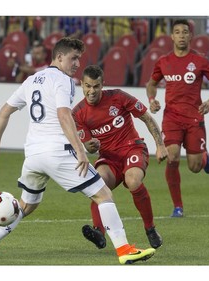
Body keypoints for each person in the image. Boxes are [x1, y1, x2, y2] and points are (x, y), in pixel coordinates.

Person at [0, 37, 156, 265]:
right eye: (73, 58)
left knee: (26, 206)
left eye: (79, 58)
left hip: (33, 156)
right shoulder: (63, 80)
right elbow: (64, 115)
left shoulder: (31, 80)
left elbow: (5, 110)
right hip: (57, 152)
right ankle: (125, 250)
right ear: (59, 57)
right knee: (103, 194)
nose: (77, 63)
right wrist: (80, 150)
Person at [72, 65, 168, 250]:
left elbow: (146, 118)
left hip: (133, 149)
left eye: (96, 86)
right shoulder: (77, 113)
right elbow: (88, 146)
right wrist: (90, 145)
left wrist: (160, 144)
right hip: (109, 158)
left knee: (133, 181)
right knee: (97, 184)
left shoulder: (119, 96)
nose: (91, 91)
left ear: (102, 85)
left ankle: (150, 229)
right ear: (82, 85)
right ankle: (99, 232)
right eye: (87, 86)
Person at [146, 19, 209, 218]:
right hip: (171, 118)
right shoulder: (164, 61)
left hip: (194, 119)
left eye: (185, 32)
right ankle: (178, 207)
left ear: (191, 36)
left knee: (195, 167)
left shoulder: (200, 61)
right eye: (177, 32)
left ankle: (204, 156)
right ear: (172, 37)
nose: (181, 35)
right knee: (171, 157)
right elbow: (151, 84)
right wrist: (152, 99)